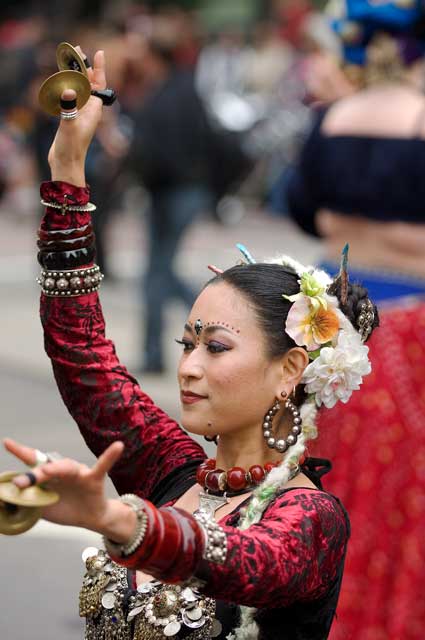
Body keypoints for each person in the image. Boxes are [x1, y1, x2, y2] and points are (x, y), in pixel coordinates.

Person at [3, 49, 378, 640]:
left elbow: (245, 563)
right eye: (187, 344)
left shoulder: (310, 518)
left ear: (290, 369)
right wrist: (68, 175)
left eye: (218, 348)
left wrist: (119, 519)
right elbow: (82, 354)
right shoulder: (172, 471)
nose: (188, 368)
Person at [286, 2, 425, 639]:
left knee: (325, 468)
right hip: (411, 322)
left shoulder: (332, 117)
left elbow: (303, 208)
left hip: (331, 314)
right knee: (399, 488)